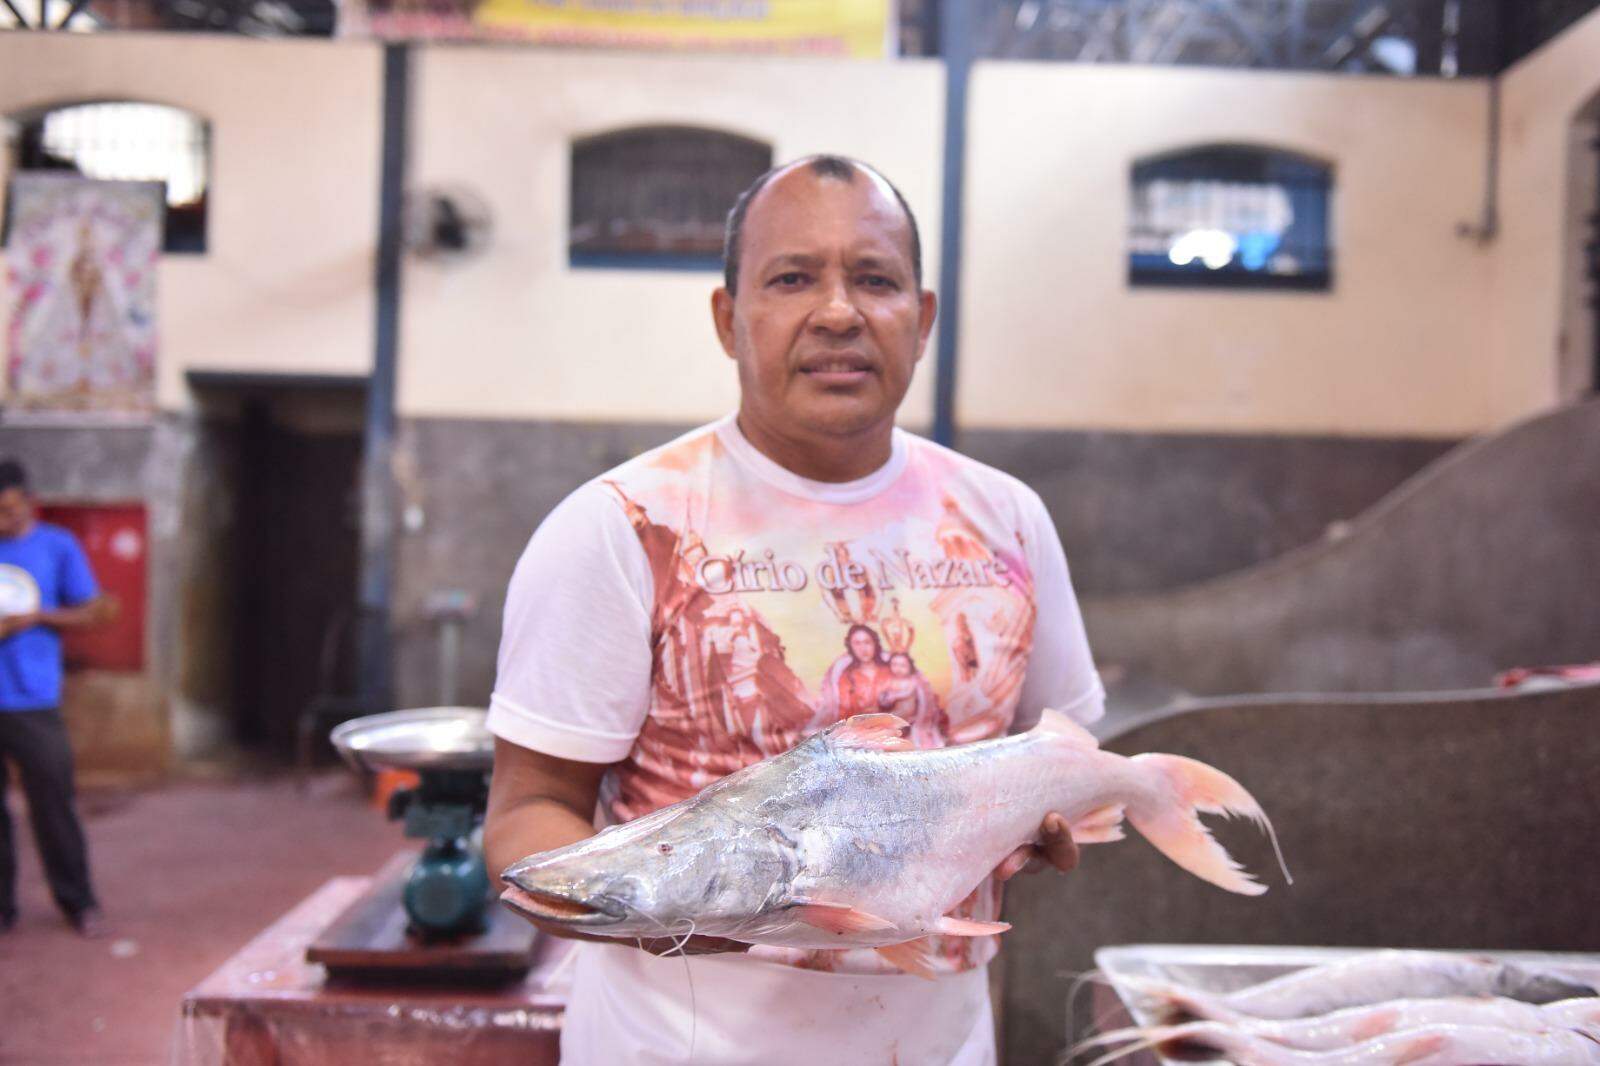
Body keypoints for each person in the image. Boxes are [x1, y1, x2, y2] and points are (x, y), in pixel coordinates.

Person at [484, 155, 1105, 1064]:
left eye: (876, 279)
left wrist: (1041, 824)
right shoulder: (624, 526)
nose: (840, 312)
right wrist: (677, 913)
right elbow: (527, 814)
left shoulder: (1005, 520)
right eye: (792, 278)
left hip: (937, 1037)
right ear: (729, 318)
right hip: (678, 1037)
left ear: (922, 320)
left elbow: (1067, 752)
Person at [0, 459, 115, 937]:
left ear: (28, 502)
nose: (2, 521)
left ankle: (77, 900)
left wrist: (36, 618)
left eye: (8, 510)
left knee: (53, 802)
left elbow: (98, 610)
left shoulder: (56, 546)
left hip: (34, 699)